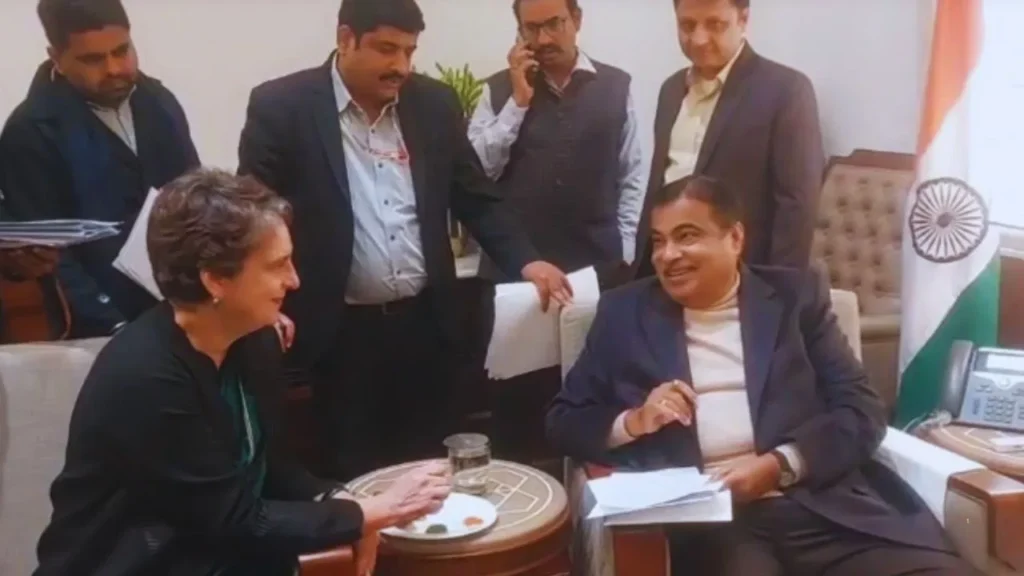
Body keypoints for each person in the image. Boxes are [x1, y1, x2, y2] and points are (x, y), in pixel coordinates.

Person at [548, 176, 976, 575]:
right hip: (716, 526)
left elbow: (861, 410)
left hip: (822, 507)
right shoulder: (623, 313)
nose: (667, 255)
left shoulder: (795, 299)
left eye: (687, 236)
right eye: (659, 241)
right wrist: (634, 421)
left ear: (735, 238)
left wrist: (779, 465)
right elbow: (563, 421)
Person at [34, 169, 452, 576]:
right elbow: (235, 520)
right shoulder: (146, 377)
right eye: (278, 265)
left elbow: (274, 472)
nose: (294, 280)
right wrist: (373, 511)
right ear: (216, 280)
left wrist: (347, 502)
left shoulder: (254, 341)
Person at [238, 0, 571, 481]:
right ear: (346, 38)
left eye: (410, 51)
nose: (401, 66)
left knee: (432, 473)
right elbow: (255, 215)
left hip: (426, 328)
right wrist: (262, 298)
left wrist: (527, 260)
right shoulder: (284, 108)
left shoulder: (432, 104)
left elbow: (475, 195)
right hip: (340, 336)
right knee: (356, 474)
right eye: (386, 49)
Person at [0, 0, 200, 338]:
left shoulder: (158, 100)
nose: (114, 69)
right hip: (99, 327)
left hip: (181, 313)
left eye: (122, 51)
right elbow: (52, 255)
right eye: (92, 59)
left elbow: (195, 200)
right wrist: (113, 325)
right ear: (56, 58)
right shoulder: (30, 132)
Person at [634, 0, 825, 278]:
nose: (699, 39)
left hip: (741, 276)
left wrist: (777, 289)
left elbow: (796, 205)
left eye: (715, 25)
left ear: (743, 20)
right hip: (665, 269)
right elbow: (660, 182)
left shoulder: (785, 90)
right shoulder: (671, 90)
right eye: (687, 25)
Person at [468, 0, 645, 289]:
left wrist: (626, 248)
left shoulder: (616, 86)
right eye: (532, 28)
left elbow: (631, 175)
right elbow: (476, 174)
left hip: (598, 268)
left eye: (554, 24)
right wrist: (517, 103)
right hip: (515, 270)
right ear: (519, 32)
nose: (543, 40)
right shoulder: (497, 89)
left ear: (577, 19)